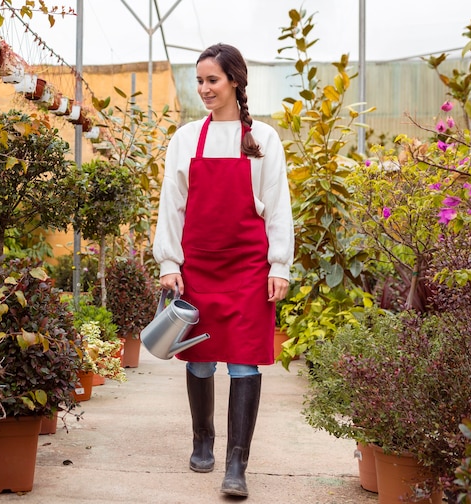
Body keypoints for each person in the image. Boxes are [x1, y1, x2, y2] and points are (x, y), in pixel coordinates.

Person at [152, 43, 294, 498]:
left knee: (244, 360)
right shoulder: (185, 138)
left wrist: (280, 266)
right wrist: (169, 262)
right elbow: (171, 206)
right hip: (198, 264)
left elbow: (277, 207)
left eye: (212, 80)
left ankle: (237, 463)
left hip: (249, 267)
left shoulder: (263, 139)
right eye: (199, 81)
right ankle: (202, 439)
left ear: (234, 80)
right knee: (198, 357)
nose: (204, 89)